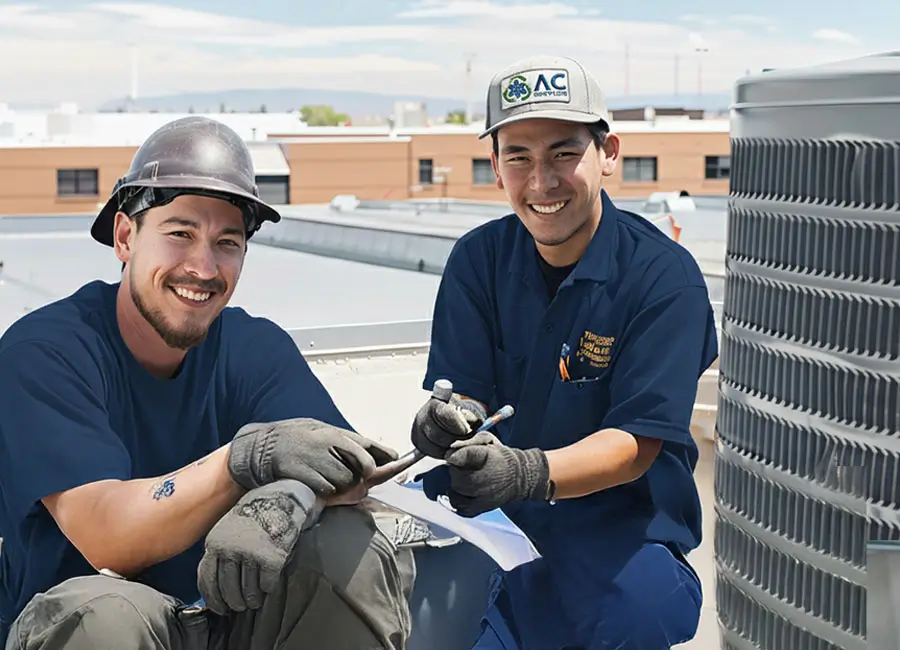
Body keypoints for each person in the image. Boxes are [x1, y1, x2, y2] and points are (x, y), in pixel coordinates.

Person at [0, 116, 415, 650]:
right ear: (126, 237)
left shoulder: (252, 347)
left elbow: (349, 470)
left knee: (344, 544)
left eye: (227, 242)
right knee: (104, 610)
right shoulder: (48, 351)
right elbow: (107, 537)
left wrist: (283, 498)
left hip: (228, 617)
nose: (202, 266)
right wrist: (245, 462)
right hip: (100, 627)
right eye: (180, 233)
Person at [410, 55, 718, 650]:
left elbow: (635, 443)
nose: (542, 182)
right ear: (496, 168)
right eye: (518, 157)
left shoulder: (662, 278)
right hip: (500, 529)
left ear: (608, 155)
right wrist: (449, 424)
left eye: (564, 153)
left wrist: (526, 472)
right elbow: (466, 393)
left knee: (645, 609)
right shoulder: (478, 261)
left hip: (619, 535)